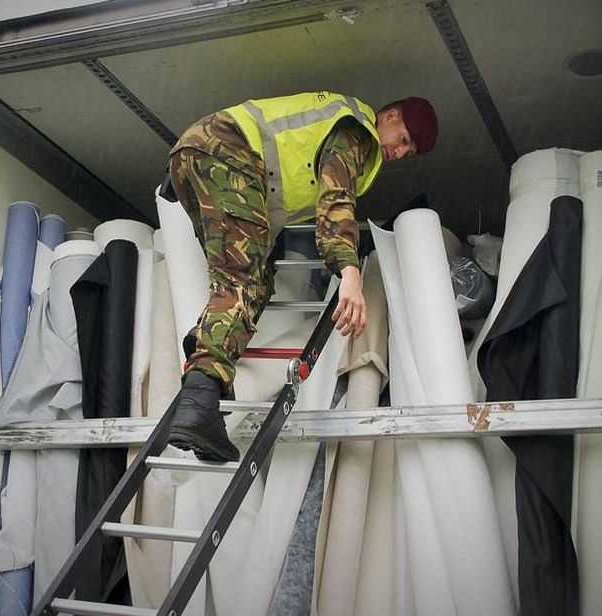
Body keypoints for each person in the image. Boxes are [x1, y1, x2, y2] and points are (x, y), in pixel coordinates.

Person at [165, 91, 439, 461]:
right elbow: (336, 198)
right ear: (389, 117)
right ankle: (199, 399)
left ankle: (206, 373)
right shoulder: (356, 130)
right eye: (404, 140)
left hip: (200, 155)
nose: (401, 152)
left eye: (410, 152)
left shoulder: (346, 124)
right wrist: (350, 273)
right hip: (226, 151)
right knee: (241, 279)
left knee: (253, 281)